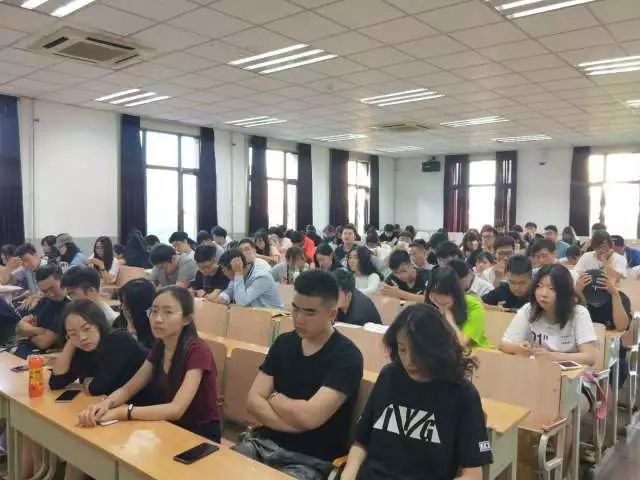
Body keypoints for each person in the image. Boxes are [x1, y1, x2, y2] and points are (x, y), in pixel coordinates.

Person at [234, 270, 363, 478]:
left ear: (332, 314)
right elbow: (253, 401)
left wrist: (275, 398)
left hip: (310, 461)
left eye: (310, 312)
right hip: (262, 444)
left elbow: (310, 417)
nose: (299, 319)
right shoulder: (284, 342)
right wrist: (293, 425)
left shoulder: (347, 357)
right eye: (295, 308)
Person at [340, 303, 492, 480]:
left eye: (418, 352)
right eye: (402, 349)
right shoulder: (390, 375)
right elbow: (361, 442)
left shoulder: (462, 393)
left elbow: (473, 475)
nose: (409, 361)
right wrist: (349, 474)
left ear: (436, 349)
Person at [78, 286, 221, 442]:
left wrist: (122, 412)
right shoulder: (161, 345)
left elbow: (176, 409)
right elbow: (128, 389)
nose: (158, 319)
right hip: (167, 426)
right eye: (154, 311)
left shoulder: (198, 351)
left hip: (200, 434)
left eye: (168, 312)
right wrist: (106, 404)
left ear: (186, 319)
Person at [50, 299, 153, 400]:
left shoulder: (120, 340)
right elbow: (56, 382)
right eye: (73, 333)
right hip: (118, 403)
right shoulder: (83, 348)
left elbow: (97, 388)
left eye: (86, 329)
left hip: (148, 402)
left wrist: (88, 382)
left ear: (99, 324)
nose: (82, 337)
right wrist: (70, 344)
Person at [500, 264, 596, 367]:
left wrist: (553, 356)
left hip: (570, 375)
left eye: (552, 288)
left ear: (564, 292)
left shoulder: (579, 313)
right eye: (539, 286)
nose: (544, 294)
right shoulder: (528, 309)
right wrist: (519, 347)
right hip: (537, 371)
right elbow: (503, 345)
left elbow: (589, 357)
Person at [576, 268, 631, 385]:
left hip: (611, 353)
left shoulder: (620, 297)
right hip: (581, 352)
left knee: (607, 375)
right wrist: (577, 295)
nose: (596, 304)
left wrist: (615, 294)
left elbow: (621, 326)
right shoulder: (578, 299)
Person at [425, 267, 490, 348]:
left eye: (444, 293)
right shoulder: (429, 307)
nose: (439, 298)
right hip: (441, 351)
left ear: (455, 292)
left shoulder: (473, 305)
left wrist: (448, 317)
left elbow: (461, 342)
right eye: (434, 292)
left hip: (477, 352)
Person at [13, 264, 69, 358]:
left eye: (52, 288)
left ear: (62, 280)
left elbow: (44, 342)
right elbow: (18, 330)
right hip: (25, 351)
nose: (50, 294)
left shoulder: (69, 306)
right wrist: (39, 331)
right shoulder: (43, 300)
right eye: (44, 291)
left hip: (46, 356)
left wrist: (29, 332)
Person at [218, 249, 283, 309]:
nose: (224, 273)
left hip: (274, 315)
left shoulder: (261, 277)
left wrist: (238, 273)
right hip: (255, 313)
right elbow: (230, 289)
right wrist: (223, 297)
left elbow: (241, 302)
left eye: (224, 270)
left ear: (234, 267)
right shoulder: (238, 275)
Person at [117, 278, 155, 348]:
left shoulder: (155, 329)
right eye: (121, 302)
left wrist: (131, 329)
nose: (121, 307)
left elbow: (132, 352)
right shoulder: (121, 320)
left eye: (125, 305)